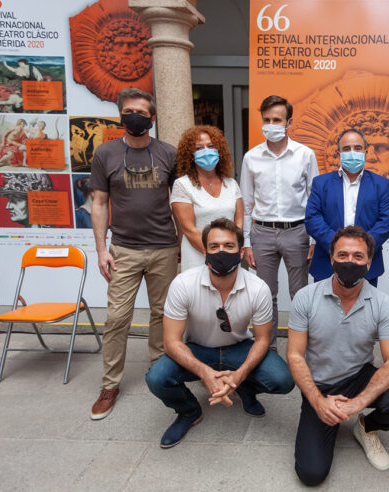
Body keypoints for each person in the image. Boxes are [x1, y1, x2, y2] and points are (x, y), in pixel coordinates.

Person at [146, 218, 294, 448]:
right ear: (204, 251)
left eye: (229, 246)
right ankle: (189, 411)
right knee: (157, 377)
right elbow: (171, 342)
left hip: (239, 349)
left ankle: (244, 388)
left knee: (282, 379)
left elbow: (263, 339)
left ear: (241, 251)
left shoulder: (258, 288)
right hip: (198, 349)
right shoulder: (183, 284)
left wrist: (240, 374)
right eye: (214, 247)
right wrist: (205, 373)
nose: (221, 251)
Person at [287, 225, 389, 486]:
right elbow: (295, 356)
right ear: (331, 258)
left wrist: (355, 405)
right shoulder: (305, 298)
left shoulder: (382, 302)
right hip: (320, 385)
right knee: (311, 474)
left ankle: (366, 427)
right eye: (343, 255)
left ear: (369, 262)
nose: (350, 261)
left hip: (358, 376)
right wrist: (318, 401)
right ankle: (326, 416)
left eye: (358, 256)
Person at [88, 87, 179, 420]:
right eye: (129, 111)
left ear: (152, 118)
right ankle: (110, 384)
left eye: (141, 112)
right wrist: (101, 249)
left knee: (162, 315)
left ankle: (159, 371)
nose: (134, 117)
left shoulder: (168, 153)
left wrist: (182, 243)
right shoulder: (106, 154)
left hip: (163, 248)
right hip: (123, 249)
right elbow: (98, 202)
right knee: (116, 318)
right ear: (120, 115)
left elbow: (179, 201)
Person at [240, 95, 319, 351]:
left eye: (277, 120)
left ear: (289, 122)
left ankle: (299, 350)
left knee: (300, 295)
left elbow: (313, 199)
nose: (271, 124)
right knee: (265, 296)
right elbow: (246, 202)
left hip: (297, 232)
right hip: (261, 232)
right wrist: (247, 243)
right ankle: (267, 350)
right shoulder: (251, 157)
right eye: (267, 120)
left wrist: (314, 239)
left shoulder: (305, 155)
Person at [305, 128, 389, 287]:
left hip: (366, 264)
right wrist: (337, 244)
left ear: (366, 151)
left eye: (357, 148)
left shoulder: (381, 184)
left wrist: (362, 247)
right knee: (324, 310)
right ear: (338, 153)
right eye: (346, 149)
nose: (352, 152)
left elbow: (385, 222)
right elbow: (312, 219)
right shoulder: (320, 183)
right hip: (327, 263)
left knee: (366, 310)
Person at [171, 125, 243, 271]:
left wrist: (229, 251)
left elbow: (239, 222)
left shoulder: (231, 184)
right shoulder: (182, 185)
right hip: (198, 257)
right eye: (199, 148)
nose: (206, 151)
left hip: (230, 257)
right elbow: (189, 229)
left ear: (219, 150)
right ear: (190, 155)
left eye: (211, 146)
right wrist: (215, 254)